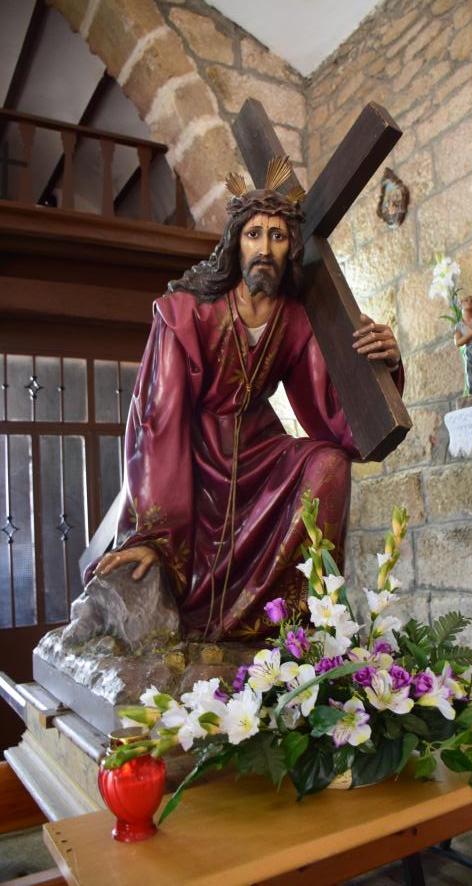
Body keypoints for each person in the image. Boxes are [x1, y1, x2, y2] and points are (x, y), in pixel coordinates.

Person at [93, 160, 404, 641]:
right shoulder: (185, 313)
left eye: (277, 236)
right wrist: (152, 534)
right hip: (192, 455)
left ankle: (293, 625)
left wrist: (385, 365)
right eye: (253, 234)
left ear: (290, 247)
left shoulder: (295, 319)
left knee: (328, 464)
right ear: (234, 242)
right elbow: (158, 422)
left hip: (258, 450)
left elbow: (330, 414)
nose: (264, 248)